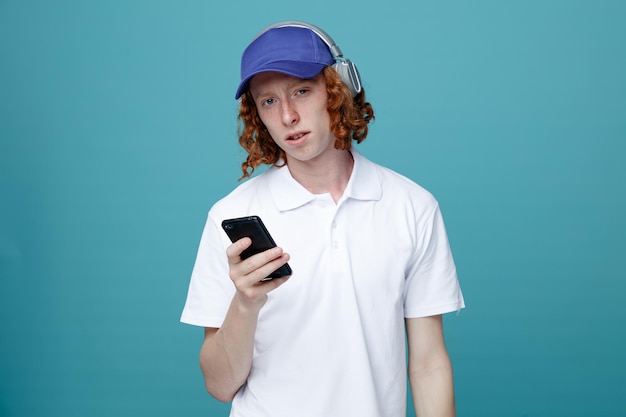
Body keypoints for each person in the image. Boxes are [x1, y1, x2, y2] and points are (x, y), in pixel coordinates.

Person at [181, 20, 465, 417]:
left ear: (339, 90)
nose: (288, 116)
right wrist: (246, 304)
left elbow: (429, 364)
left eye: (301, 90)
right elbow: (219, 385)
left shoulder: (411, 206)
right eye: (268, 101)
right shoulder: (229, 216)